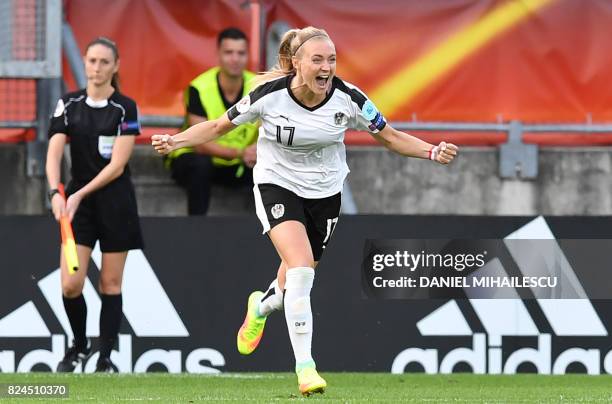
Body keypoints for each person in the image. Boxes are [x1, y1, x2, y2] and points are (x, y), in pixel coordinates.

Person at [152, 26, 458, 395]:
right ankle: (306, 369)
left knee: (296, 279)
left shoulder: (349, 99)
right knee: (299, 271)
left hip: (325, 195)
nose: (326, 67)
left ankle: (261, 307)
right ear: (296, 63)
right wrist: (175, 140)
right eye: (317, 59)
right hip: (276, 184)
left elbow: (390, 137)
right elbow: (217, 126)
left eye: (331, 59)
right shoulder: (268, 96)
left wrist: (430, 151)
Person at [46, 37, 143, 373]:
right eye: (92, 61)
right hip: (77, 204)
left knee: (110, 284)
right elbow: (55, 151)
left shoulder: (125, 107)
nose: (97, 68)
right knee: (71, 284)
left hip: (115, 202)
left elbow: (117, 165)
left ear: (115, 66)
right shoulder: (68, 103)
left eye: (104, 62)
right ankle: (78, 344)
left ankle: (105, 358)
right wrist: (55, 192)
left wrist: (77, 194)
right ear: (84, 63)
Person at [165, 27, 259, 215]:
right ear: (218, 54)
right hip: (202, 159)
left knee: (274, 165)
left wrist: (256, 151)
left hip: (240, 163)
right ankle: (197, 229)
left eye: (241, 53)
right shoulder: (199, 87)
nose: (235, 59)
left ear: (248, 55)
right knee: (200, 166)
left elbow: (270, 127)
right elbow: (200, 145)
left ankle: (273, 232)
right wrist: (240, 153)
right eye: (229, 52)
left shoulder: (259, 85)